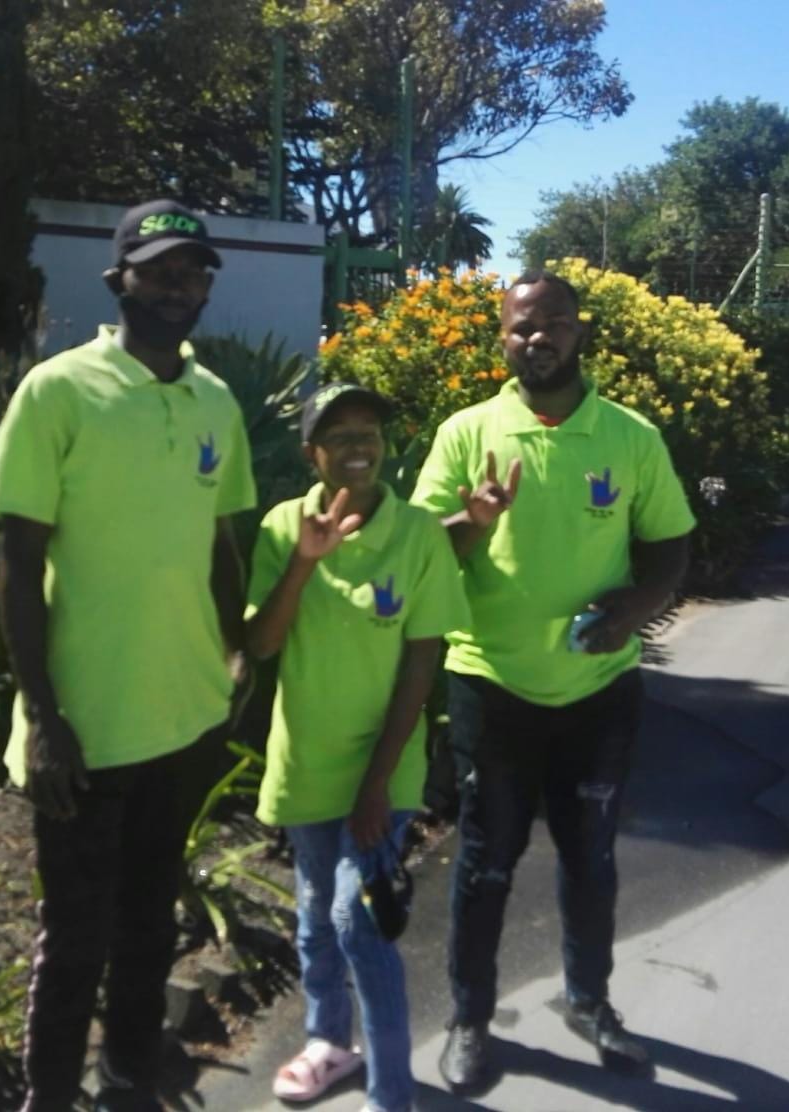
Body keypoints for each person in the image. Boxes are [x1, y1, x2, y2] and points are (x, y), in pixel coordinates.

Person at [0, 199, 256, 1112]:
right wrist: (42, 717)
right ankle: (49, 1097)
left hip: (184, 714)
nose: (179, 286)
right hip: (84, 728)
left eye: (193, 272)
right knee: (73, 940)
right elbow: (17, 564)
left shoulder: (215, 400)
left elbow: (220, 544)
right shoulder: (57, 390)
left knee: (148, 922)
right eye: (160, 269)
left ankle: (130, 1079)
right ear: (118, 279)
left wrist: (238, 652)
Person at [410, 271, 695, 1090]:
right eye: (520, 327)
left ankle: (588, 1001)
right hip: (490, 683)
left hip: (598, 692)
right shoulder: (466, 432)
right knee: (484, 864)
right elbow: (423, 549)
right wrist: (471, 519)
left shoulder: (629, 436)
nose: (536, 338)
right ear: (502, 337)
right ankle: (469, 1019)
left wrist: (634, 606)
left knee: (589, 859)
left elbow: (669, 543)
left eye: (553, 324)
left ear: (579, 330)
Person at [246, 383, 468, 1112]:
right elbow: (261, 643)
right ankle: (328, 1042)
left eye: (368, 432)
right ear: (311, 452)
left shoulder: (418, 534)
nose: (357, 447)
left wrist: (377, 782)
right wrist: (304, 561)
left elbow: (422, 661)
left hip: (385, 767)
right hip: (305, 761)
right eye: (338, 435)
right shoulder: (284, 525)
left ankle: (392, 1092)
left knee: (356, 920)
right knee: (314, 913)